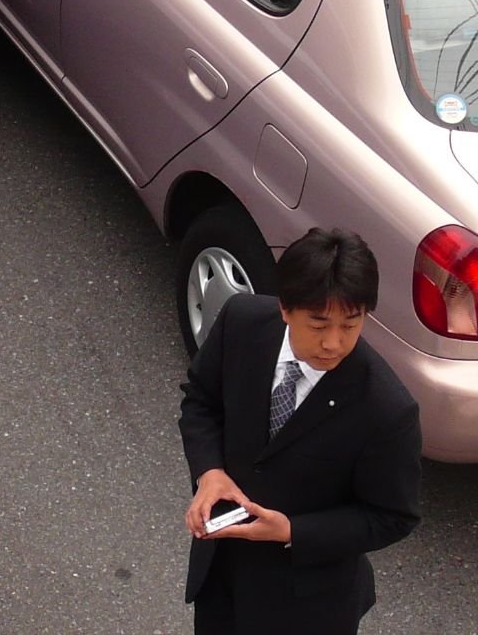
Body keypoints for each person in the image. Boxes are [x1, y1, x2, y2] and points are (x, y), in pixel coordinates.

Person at [177, 227, 422, 635]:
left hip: (308, 607)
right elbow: (201, 400)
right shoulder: (241, 323)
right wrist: (210, 472)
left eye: (350, 324)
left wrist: (293, 531)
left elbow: (393, 516)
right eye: (319, 323)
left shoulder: (387, 410)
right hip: (221, 575)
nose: (333, 343)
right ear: (285, 308)